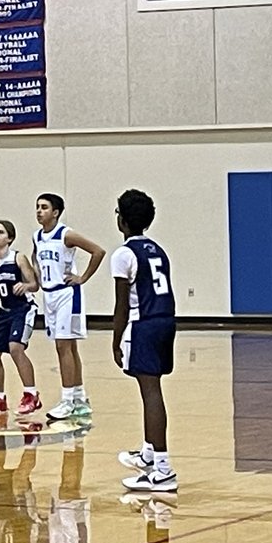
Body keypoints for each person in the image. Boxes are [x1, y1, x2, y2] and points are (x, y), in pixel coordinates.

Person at [112, 189, 178, 494]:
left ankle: (163, 470)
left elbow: (121, 305)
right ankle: (150, 455)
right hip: (166, 320)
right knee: (151, 390)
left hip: (145, 325)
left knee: (151, 393)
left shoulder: (124, 254)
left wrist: (115, 340)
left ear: (122, 221)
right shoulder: (158, 249)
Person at [32, 193, 105, 421]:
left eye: (44, 207)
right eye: (37, 207)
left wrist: (82, 277)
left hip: (66, 294)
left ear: (55, 212)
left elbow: (98, 251)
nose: (39, 211)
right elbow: (35, 258)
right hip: (49, 295)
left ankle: (67, 401)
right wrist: (37, 277)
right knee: (69, 347)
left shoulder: (66, 234)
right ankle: (80, 399)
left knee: (64, 347)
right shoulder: (37, 236)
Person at [0, 219, 43, 416]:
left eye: (0, 232)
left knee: (15, 348)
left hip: (24, 309)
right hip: (4, 311)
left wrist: (26, 286)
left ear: (9, 238)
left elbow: (35, 285)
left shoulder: (18, 259)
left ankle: (31, 394)